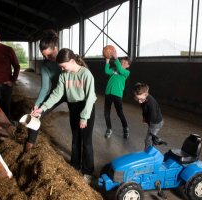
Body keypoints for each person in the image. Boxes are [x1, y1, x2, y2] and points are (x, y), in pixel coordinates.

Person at [32, 48, 97, 184]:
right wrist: (42, 108)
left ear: (72, 61)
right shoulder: (64, 75)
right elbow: (56, 94)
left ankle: (88, 171)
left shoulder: (86, 74)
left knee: (86, 142)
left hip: (86, 108)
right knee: (75, 139)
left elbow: (91, 98)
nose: (61, 69)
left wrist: (84, 117)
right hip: (73, 107)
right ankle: (74, 166)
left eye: (63, 66)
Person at [25, 29, 65, 151]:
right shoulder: (46, 66)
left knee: (78, 122)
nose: (46, 57)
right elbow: (45, 88)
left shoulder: (67, 57)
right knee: (36, 115)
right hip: (56, 93)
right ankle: (30, 142)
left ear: (56, 48)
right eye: (44, 55)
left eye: (49, 55)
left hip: (72, 93)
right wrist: (37, 105)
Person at [103, 50, 131, 139]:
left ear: (128, 66)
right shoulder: (114, 69)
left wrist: (116, 58)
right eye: (121, 62)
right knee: (106, 113)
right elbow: (107, 71)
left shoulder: (126, 73)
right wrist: (107, 60)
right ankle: (109, 129)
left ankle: (125, 128)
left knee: (120, 113)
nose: (122, 63)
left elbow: (120, 69)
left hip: (117, 94)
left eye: (124, 63)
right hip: (108, 93)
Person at [134, 82, 164, 150]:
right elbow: (144, 109)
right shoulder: (142, 99)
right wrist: (144, 117)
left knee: (148, 140)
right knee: (151, 138)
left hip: (155, 123)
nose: (139, 101)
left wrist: (148, 122)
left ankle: (147, 154)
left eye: (141, 99)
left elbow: (152, 117)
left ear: (145, 94)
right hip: (152, 121)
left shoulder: (151, 103)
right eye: (138, 99)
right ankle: (152, 148)